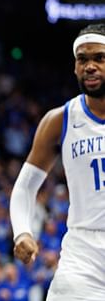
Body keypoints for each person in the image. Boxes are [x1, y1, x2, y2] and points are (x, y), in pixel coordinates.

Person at [9, 23, 105, 300]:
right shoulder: (59, 120)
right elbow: (25, 187)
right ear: (75, 67)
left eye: (99, 58)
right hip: (82, 254)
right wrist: (23, 233)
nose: (90, 66)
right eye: (82, 59)